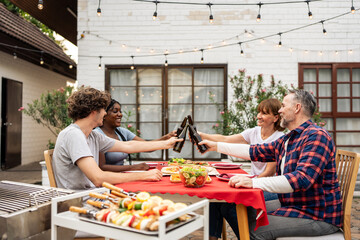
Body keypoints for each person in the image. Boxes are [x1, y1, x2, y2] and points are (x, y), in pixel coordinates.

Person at [201, 89, 342, 239]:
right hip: (293, 204)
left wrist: (253, 182)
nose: (280, 110)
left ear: (297, 108)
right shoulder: (290, 138)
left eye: (283, 105)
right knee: (233, 206)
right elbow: (255, 151)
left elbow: (301, 179)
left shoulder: (316, 136)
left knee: (252, 227)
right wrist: (216, 146)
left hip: (317, 214)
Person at [52, 87, 181, 190]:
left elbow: (128, 146)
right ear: (93, 111)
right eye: (103, 109)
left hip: (95, 194)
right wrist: (143, 175)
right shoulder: (73, 135)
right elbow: (98, 178)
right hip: (79, 201)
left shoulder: (92, 135)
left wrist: (166, 144)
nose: (104, 113)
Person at [200, 98, 285, 240]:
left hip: (269, 187)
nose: (259, 116)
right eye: (259, 112)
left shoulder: (279, 138)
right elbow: (225, 139)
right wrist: (201, 134)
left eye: (264, 113)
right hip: (254, 182)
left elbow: (268, 173)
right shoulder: (254, 132)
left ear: (276, 118)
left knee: (228, 205)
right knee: (215, 197)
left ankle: (247, 237)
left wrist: (251, 184)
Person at [94, 98, 176, 172]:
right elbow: (102, 167)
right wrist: (133, 167)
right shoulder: (98, 135)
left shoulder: (122, 132)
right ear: (104, 114)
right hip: (107, 181)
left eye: (120, 111)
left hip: (123, 176)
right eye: (115, 111)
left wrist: (166, 138)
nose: (120, 114)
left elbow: (147, 146)